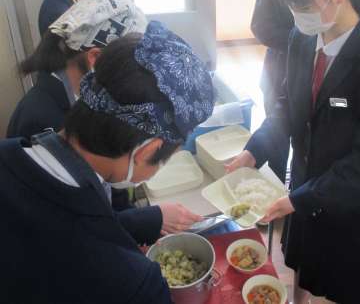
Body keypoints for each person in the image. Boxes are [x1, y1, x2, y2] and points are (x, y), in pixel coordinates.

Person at [227, 0, 360, 304]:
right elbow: (286, 108)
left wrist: (301, 198)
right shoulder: (302, 38)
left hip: (353, 204)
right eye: (292, 6)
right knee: (303, 266)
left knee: (345, 284)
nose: (298, 16)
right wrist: (254, 150)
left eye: (304, 6)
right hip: (307, 185)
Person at [0, 21, 215, 304]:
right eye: (167, 159)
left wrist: (146, 220)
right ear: (146, 150)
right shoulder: (132, 284)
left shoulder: (9, 154)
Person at [7, 0, 204, 234]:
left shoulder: (87, 102)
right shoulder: (42, 120)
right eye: (136, 66)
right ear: (97, 58)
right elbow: (68, 226)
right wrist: (148, 219)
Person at [251, 0, 332, 180]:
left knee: (309, 140)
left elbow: (343, 106)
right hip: (279, 71)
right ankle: (276, 183)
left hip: (327, 187)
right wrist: (301, 39)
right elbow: (260, 27)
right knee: (277, 136)